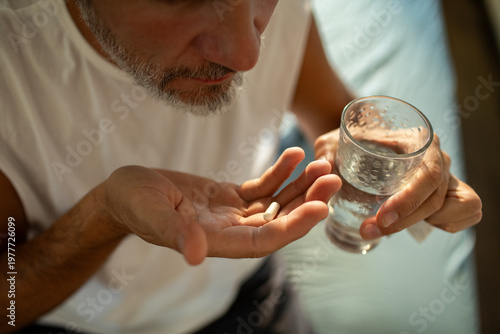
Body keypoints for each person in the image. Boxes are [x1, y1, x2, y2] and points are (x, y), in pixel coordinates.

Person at [0, 0, 481, 333]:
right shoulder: (13, 73)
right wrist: (104, 217)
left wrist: (391, 155)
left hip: (249, 293)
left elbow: (335, 111)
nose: (247, 56)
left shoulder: (282, 14)